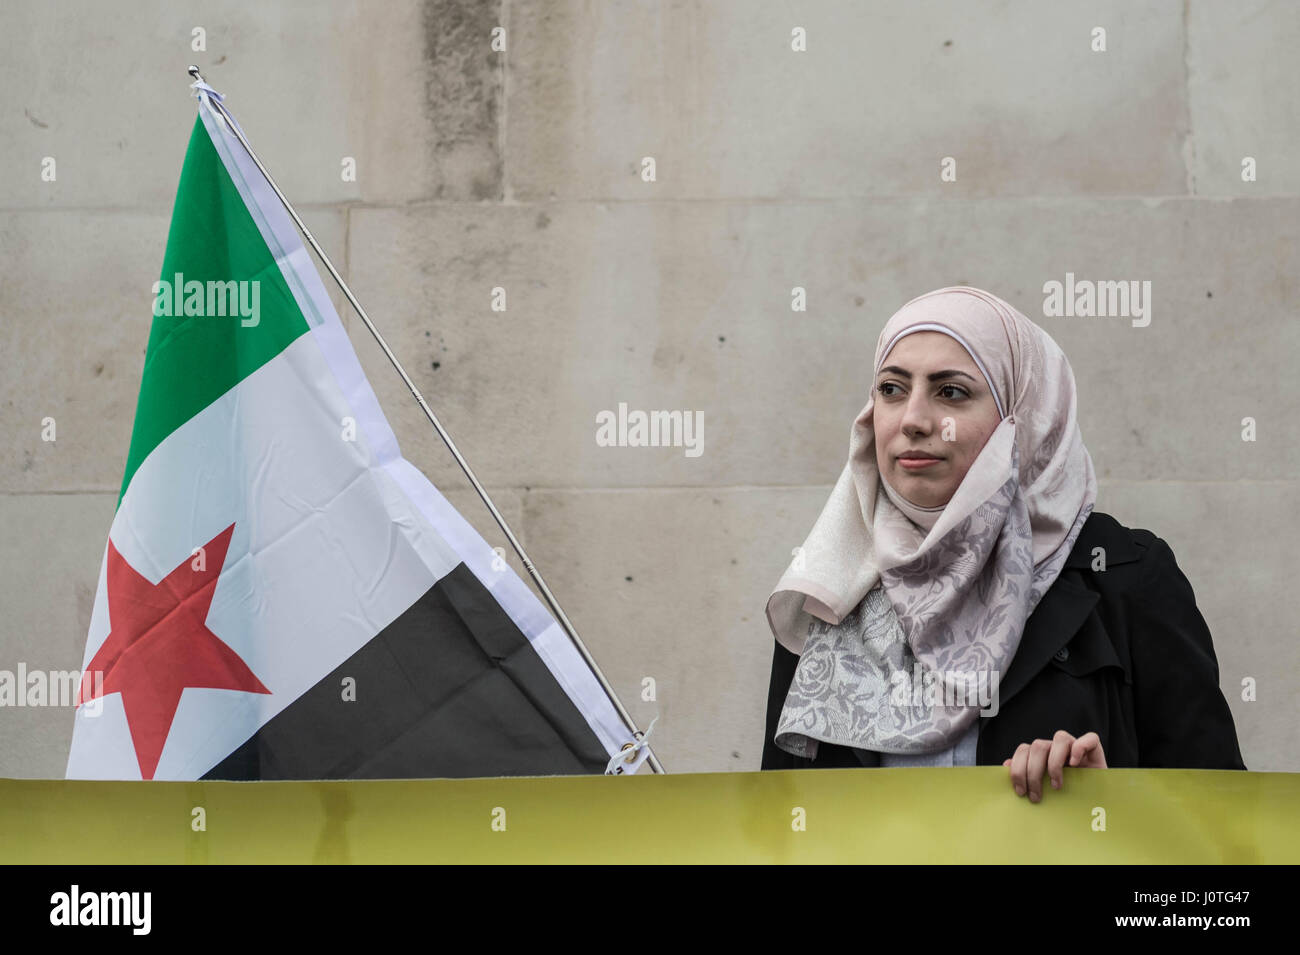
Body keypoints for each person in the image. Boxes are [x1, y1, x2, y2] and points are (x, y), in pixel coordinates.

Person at [760, 286, 1246, 802]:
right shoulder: (832, 587)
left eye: (951, 392)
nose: (913, 420)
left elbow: (1223, 828)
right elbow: (779, 832)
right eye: (891, 389)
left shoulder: (1125, 575)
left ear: (1025, 413)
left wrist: (1113, 800)